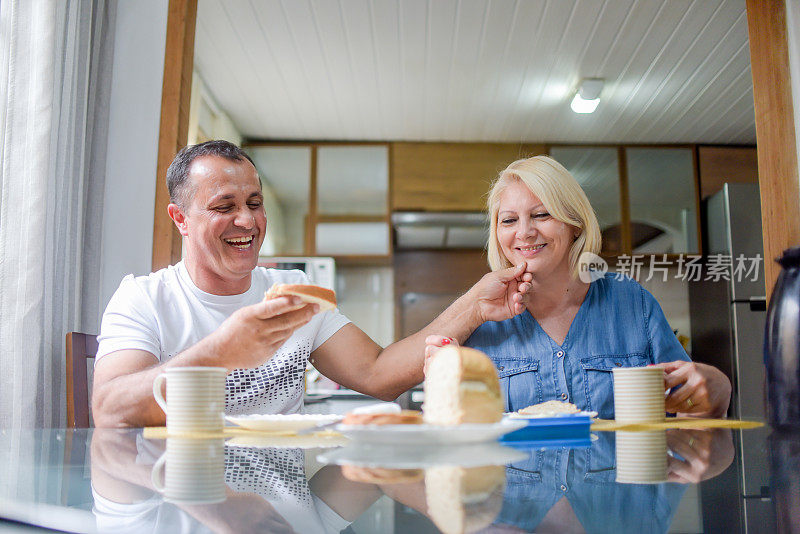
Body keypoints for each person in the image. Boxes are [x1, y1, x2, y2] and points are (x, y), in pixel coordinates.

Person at [92, 140, 533, 427]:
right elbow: (110, 409)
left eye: (254, 202)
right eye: (223, 206)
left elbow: (378, 373)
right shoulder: (144, 298)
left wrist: (475, 304)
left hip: (286, 501)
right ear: (181, 219)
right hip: (182, 496)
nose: (246, 220)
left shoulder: (295, 292)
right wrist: (223, 349)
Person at [425, 155, 731, 419]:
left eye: (541, 214)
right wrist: (442, 391)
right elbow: (458, 436)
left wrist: (717, 390)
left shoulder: (632, 301)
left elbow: (690, 413)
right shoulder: (480, 320)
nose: (525, 232)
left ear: (575, 223)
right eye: (508, 221)